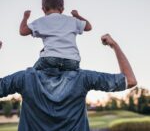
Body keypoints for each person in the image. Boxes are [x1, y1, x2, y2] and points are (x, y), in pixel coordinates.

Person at [0, 34, 137, 131]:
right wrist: (114, 45)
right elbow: (130, 80)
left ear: (42, 55)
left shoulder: (24, 78)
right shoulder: (83, 78)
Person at [19, 0, 92, 71]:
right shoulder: (72, 20)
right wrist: (77, 15)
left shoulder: (41, 21)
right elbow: (88, 27)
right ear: (62, 9)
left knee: (31, 72)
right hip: (72, 61)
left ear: (43, 9)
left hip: (50, 59)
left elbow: (22, 31)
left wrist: (25, 17)